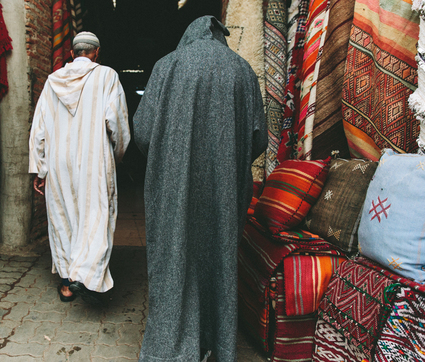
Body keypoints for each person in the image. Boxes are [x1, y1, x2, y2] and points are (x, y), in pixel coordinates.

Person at [133, 16, 268, 361]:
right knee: (220, 262)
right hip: (225, 188)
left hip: (174, 186)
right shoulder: (243, 71)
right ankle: (217, 345)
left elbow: (144, 133)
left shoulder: (168, 65)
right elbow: (258, 139)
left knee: (174, 257)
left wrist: (172, 155)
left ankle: (170, 347)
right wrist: (227, 156)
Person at [29, 31, 130, 305]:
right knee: (95, 216)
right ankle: (85, 275)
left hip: (59, 162)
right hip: (94, 159)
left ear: (72, 54)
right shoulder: (107, 76)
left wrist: (40, 169)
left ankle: (67, 283)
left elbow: (39, 129)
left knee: (63, 218)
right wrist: (116, 156)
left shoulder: (52, 81)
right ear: (96, 53)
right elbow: (117, 124)